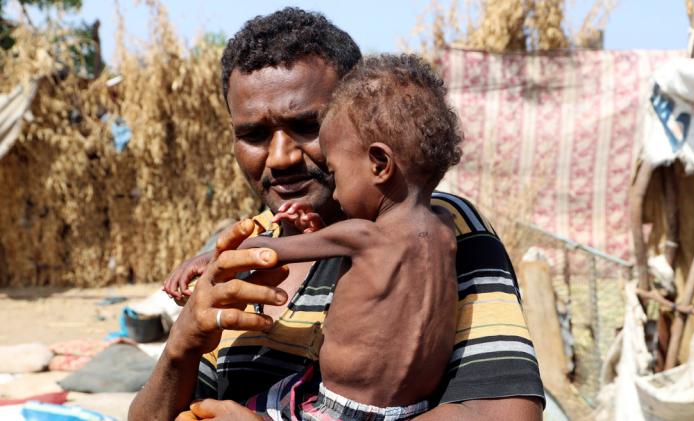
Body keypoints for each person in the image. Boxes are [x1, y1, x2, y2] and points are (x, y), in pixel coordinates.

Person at [129, 8, 544, 421]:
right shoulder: (245, 251)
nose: (280, 157)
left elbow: (502, 413)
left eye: (308, 126)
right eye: (253, 135)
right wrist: (181, 345)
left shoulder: (443, 229)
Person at [217, 54, 463, 419]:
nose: (334, 193)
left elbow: (266, 249)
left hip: (333, 408)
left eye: (336, 172)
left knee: (220, 412)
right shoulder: (448, 231)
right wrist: (319, 229)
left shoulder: (361, 235)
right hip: (412, 410)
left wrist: (208, 260)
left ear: (379, 164)